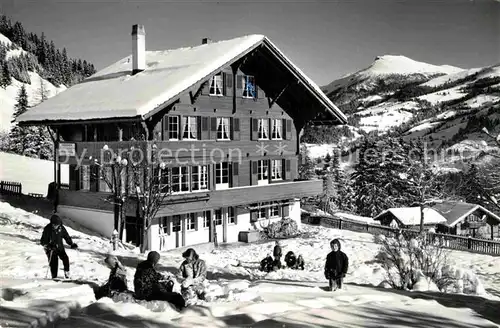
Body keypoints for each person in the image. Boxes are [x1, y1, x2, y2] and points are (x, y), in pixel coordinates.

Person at [40, 214, 78, 279]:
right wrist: (49, 246)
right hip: (51, 249)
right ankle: (54, 277)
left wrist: (71, 244)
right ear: (52, 223)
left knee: (65, 258)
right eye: (54, 225)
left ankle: (67, 273)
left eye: (57, 225)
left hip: (60, 247)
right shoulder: (47, 229)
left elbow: (66, 236)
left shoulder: (61, 228)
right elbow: (43, 241)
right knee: (54, 263)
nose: (56, 226)